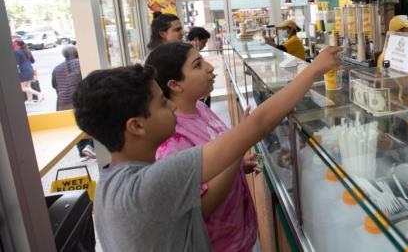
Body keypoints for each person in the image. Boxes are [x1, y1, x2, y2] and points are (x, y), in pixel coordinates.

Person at [72, 46, 341, 251]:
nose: (173, 107)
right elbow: (260, 122)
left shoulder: (111, 184)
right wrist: (314, 70)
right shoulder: (154, 182)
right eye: (162, 104)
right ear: (137, 127)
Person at [147, 42, 258, 252]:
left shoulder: (200, 108)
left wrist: (238, 164)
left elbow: (212, 166)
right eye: (197, 65)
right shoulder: (172, 139)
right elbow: (202, 208)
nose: (210, 67)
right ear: (175, 85)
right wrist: (239, 144)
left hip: (239, 235)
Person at [51, 46, 95, 160]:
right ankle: (90, 146)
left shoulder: (57, 68)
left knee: (77, 126)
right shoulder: (81, 63)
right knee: (90, 121)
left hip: (64, 103)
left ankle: (82, 152)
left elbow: (54, 85)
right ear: (76, 52)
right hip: (80, 100)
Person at [186, 27, 212, 107]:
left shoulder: (193, 52)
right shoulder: (187, 53)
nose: (204, 46)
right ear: (196, 39)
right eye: (203, 42)